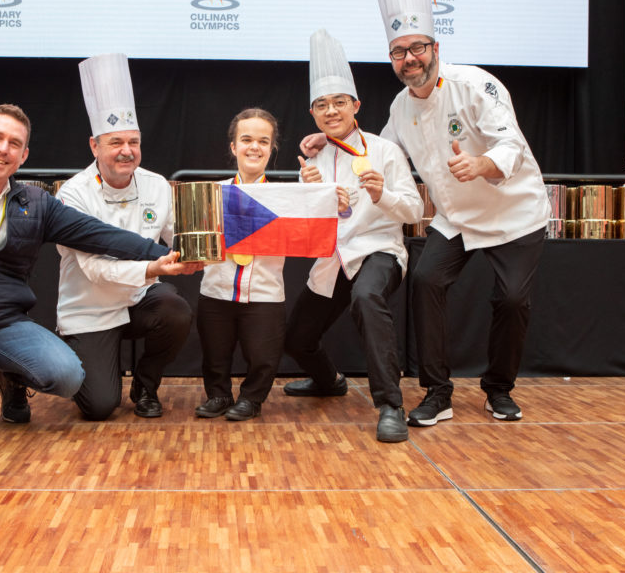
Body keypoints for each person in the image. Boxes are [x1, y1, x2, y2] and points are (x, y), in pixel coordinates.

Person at [302, 0, 550, 426]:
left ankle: (498, 389)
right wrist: (329, 139)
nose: (409, 58)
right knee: (425, 280)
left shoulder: (475, 85)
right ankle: (437, 392)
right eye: (398, 52)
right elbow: (376, 154)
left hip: (514, 211)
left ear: (435, 47)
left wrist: (479, 164)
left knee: (513, 300)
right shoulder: (400, 107)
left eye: (416, 47)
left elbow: (510, 143)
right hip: (455, 217)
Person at [0, 103, 177, 443]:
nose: (3, 149)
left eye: (14, 144)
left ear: (23, 156)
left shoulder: (36, 203)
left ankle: (12, 377)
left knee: (68, 377)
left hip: (5, 322)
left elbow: (99, 234)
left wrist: (163, 254)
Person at [284, 29, 424, 443]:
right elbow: (308, 224)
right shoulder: (311, 157)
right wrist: (308, 191)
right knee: (297, 339)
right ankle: (329, 381)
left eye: (339, 103)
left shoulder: (384, 151)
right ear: (313, 113)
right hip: (333, 259)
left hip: (378, 251)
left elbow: (415, 211)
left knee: (367, 297)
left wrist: (382, 196)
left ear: (356, 106)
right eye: (322, 105)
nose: (331, 111)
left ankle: (390, 406)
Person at [56, 53, 200, 421]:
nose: (126, 151)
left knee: (175, 311)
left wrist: (201, 251)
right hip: (90, 308)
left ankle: (146, 385)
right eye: (115, 141)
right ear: (94, 146)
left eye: (133, 142)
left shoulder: (156, 185)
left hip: (137, 300)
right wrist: (154, 267)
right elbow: (94, 270)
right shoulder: (73, 194)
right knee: (100, 407)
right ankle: (60, 353)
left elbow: (179, 237)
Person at [195, 108, 285, 421]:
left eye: (263, 140)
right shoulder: (209, 194)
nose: (254, 147)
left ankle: (251, 399)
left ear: (272, 148)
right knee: (215, 354)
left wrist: (333, 203)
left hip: (264, 293)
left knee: (262, 356)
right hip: (216, 290)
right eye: (246, 139)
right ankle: (218, 395)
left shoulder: (287, 197)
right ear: (234, 146)